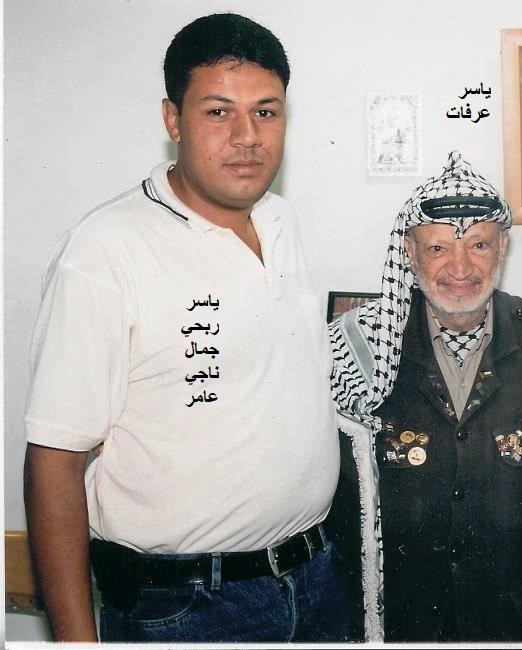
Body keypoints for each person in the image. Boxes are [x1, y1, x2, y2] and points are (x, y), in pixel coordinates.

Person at [22, 13, 349, 643]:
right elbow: (54, 460)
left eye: (266, 111)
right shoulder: (104, 251)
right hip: (185, 608)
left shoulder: (281, 223)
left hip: (313, 579)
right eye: (219, 112)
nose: (247, 137)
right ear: (173, 120)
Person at [327, 152, 522, 642]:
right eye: (438, 248)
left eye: (478, 244)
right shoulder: (361, 354)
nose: (460, 267)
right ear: (409, 253)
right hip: (407, 629)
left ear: (502, 248)